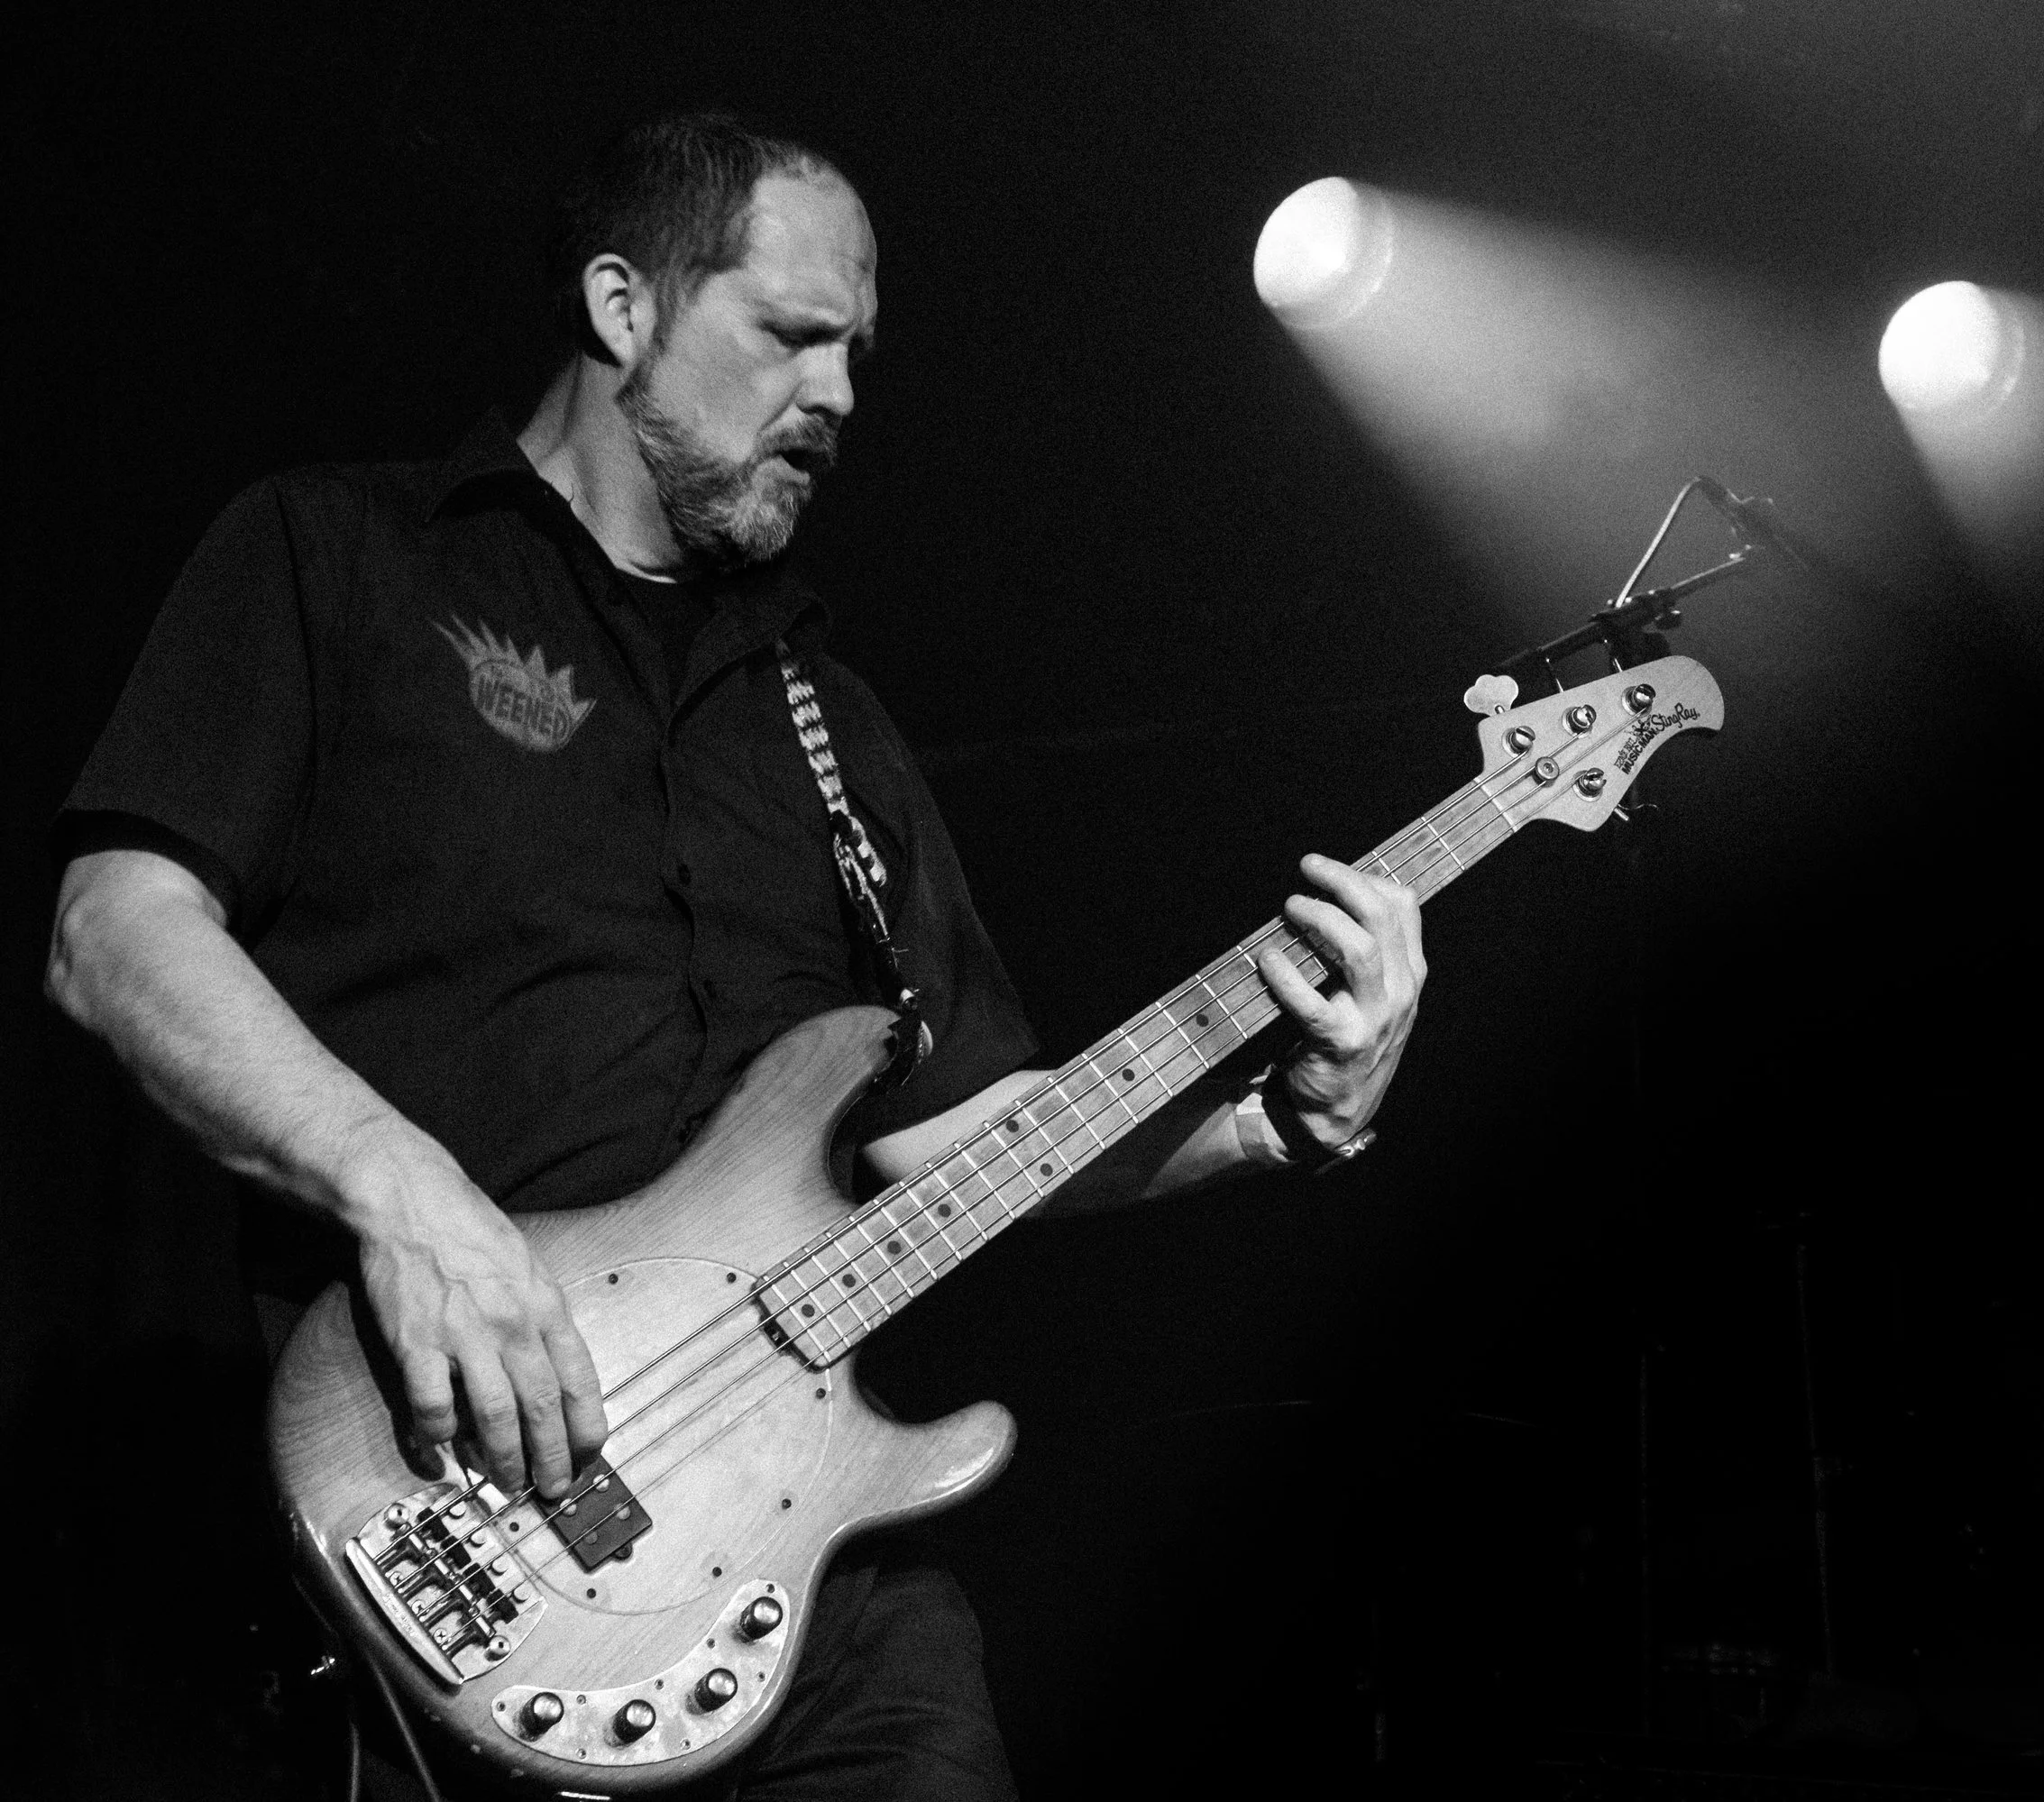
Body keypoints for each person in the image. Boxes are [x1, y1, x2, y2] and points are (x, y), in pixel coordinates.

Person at [46, 114, 1425, 1798]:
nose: (838, 394)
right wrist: (405, 1193)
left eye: (856, 350)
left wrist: (1274, 1120)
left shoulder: (827, 722)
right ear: (623, 306)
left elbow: (956, 1131)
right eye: (788, 334)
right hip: (466, 1500)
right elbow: (116, 924)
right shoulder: (337, 557)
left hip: (813, 1577)